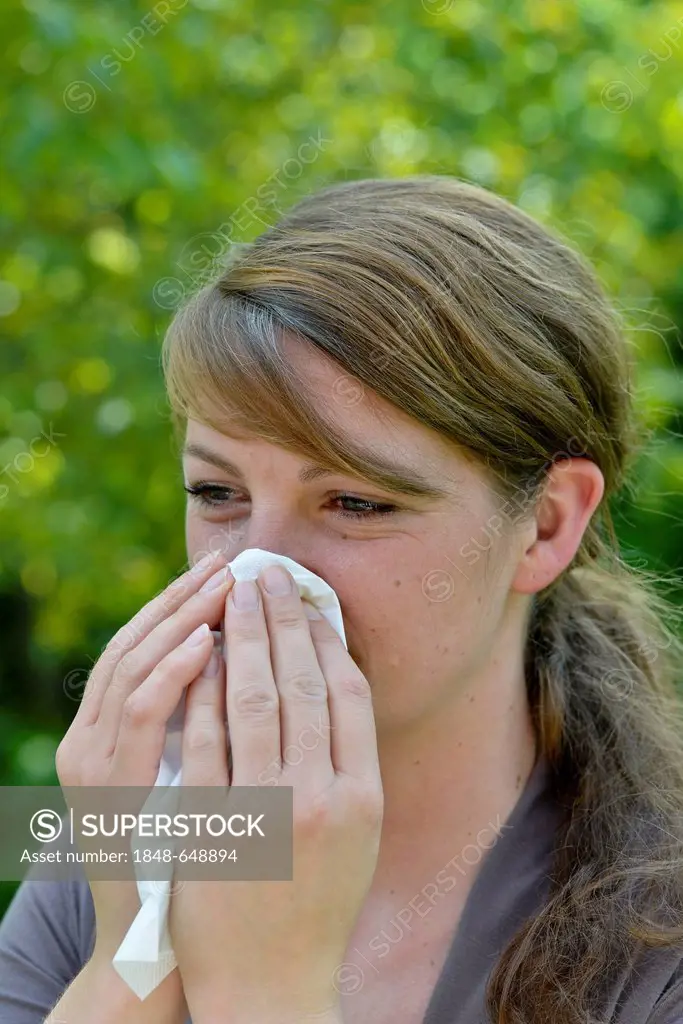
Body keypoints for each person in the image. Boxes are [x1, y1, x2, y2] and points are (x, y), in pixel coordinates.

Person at [1, 174, 682, 1024]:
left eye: (355, 504)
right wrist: (132, 956)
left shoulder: (654, 948)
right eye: (217, 493)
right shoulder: (128, 830)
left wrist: (267, 992)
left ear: (543, 526)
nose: (257, 575)